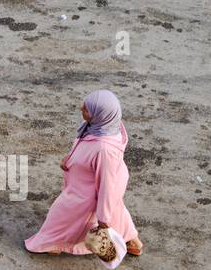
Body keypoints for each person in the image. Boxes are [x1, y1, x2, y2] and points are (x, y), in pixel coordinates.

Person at [24, 89, 143, 257]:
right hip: (92, 182)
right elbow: (86, 148)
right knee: (116, 210)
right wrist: (70, 159)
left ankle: (51, 242)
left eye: (86, 109)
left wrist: (103, 220)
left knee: (61, 215)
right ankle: (130, 239)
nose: (81, 108)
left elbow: (107, 186)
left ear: (100, 114)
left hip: (87, 192)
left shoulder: (104, 149)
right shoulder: (102, 127)